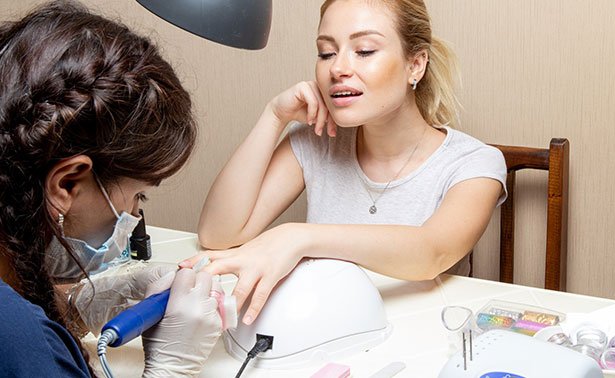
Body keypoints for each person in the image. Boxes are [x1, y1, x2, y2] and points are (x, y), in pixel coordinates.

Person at [191, 0, 507, 327]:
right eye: (327, 53)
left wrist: (299, 238)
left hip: (421, 340)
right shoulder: (315, 141)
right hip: (324, 331)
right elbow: (218, 234)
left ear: (415, 64)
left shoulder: (474, 162)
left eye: (365, 51)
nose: (337, 69)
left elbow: (430, 254)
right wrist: (274, 117)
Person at [0, 2, 222, 376]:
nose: (134, 215)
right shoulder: (27, 344)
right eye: (139, 195)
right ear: (67, 182)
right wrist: (170, 368)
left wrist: (76, 305)